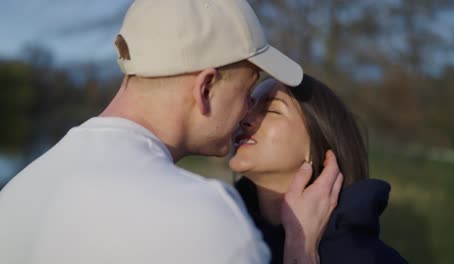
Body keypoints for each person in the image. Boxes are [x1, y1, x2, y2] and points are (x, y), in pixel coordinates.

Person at [0, 1, 343, 263]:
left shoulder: (18, 190)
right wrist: (300, 250)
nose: (245, 113)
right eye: (246, 94)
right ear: (205, 88)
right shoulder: (205, 220)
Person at [231, 75, 408, 264]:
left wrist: (300, 247)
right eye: (248, 104)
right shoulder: (221, 228)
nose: (243, 118)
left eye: (271, 109)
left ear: (316, 144)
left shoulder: (369, 259)